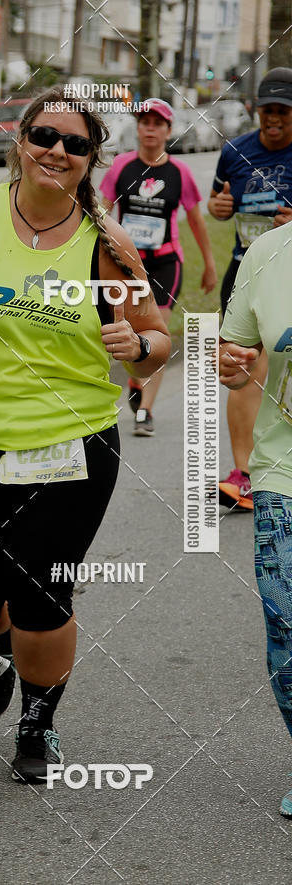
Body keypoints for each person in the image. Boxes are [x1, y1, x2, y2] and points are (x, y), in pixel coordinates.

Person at [0, 86, 170, 784]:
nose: (57, 150)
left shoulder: (107, 244)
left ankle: (37, 723)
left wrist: (135, 346)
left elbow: (159, 335)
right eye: (45, 136)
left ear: (89, 161)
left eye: (75, 144)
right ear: (20, 142)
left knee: (40, 590)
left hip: (72, 445)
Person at [219, 220, 292, 818]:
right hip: (283, 471)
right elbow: (234, 354)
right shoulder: (267, 253)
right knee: (287, 628)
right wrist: (235, 363)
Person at [100, 97, 217, 435]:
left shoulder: (179, 173)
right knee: (130, 331)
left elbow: (196, 221)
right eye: (144, 122)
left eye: (157, 123)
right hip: (127, 264)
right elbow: (101, 215)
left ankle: (145, 412)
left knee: (156, 331)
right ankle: (138, 381)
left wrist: (209, 263)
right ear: (138, 129)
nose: (150, 129)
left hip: (166, 262)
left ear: (168, 130)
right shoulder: (122, 166)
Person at [209, 67, 292, 511]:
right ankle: (246, 474)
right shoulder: (234, 152)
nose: (274, 118)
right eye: (268, 110)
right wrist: (218, 208)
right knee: (244, 368)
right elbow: (218, 202)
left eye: (284, 111)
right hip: (246, 272)